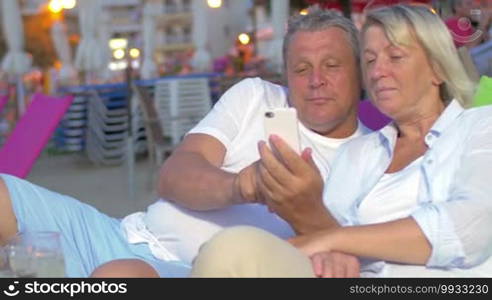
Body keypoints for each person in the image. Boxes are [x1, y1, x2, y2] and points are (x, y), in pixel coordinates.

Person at [0, 7, 371, 278]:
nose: (316, 80)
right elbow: (174, 174)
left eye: (332, 65)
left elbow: (353, 260)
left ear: (359, 71)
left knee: (120, 276)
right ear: (287, 75)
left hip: (186, 271)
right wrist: (245, 184)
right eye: (302, 69)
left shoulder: (374, 159)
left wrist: (300, 206)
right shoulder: (255, 96)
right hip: (121, 232)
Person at [190, 4, 492, 278]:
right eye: (370, 60)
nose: (377, 71)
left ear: (438, 68)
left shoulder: (480, 126)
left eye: (395, 56)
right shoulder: (358, 152)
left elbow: (466, 230)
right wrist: (301, 206)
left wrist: (329, 240)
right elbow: (329, 236)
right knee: (230, 251)